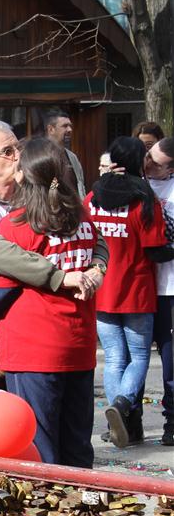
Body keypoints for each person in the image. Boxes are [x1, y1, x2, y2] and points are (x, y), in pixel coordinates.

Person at [0, 138, 98, 468]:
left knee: (41, 445)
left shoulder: (19, 226)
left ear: (23, 175)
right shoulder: (80, 218)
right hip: (79, 346)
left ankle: (49, 513)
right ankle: (85, 509)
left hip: (34, 350)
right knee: (77, 442)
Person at [87, 136, 169, 448]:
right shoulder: (144, 199)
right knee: (137, 357)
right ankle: (121, 405)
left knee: (115, 358)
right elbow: (155, 249)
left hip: (100, 287)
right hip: (136, 289)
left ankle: (120, 417)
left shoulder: (92, 195)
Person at [144, 137, 174, 446]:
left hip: (169, 286)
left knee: (170, 360)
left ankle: (171, 423)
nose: (149, 165)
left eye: (157, 163)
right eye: (147, 157)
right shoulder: (134, 184)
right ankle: (130, 421)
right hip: (139, 286)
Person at [44, 109, 85, 198]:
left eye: (70, 126)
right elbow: (48, 188)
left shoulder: (72, 157)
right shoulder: (40, 157)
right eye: (65, 126)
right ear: (51, 129)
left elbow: (80, 187)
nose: (70, 130)